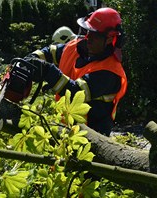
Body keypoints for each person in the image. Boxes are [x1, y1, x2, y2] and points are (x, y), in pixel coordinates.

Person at [24, 7, 127, 136]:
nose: (88, 38)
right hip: (63, 129)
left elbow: (75, 93)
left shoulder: (110, 73)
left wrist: (47, 71)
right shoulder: (76, 47)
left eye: (94, 35)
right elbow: (50, 52)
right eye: (88, 31)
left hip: (90, 139)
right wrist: (30, 60)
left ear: (110, 39)